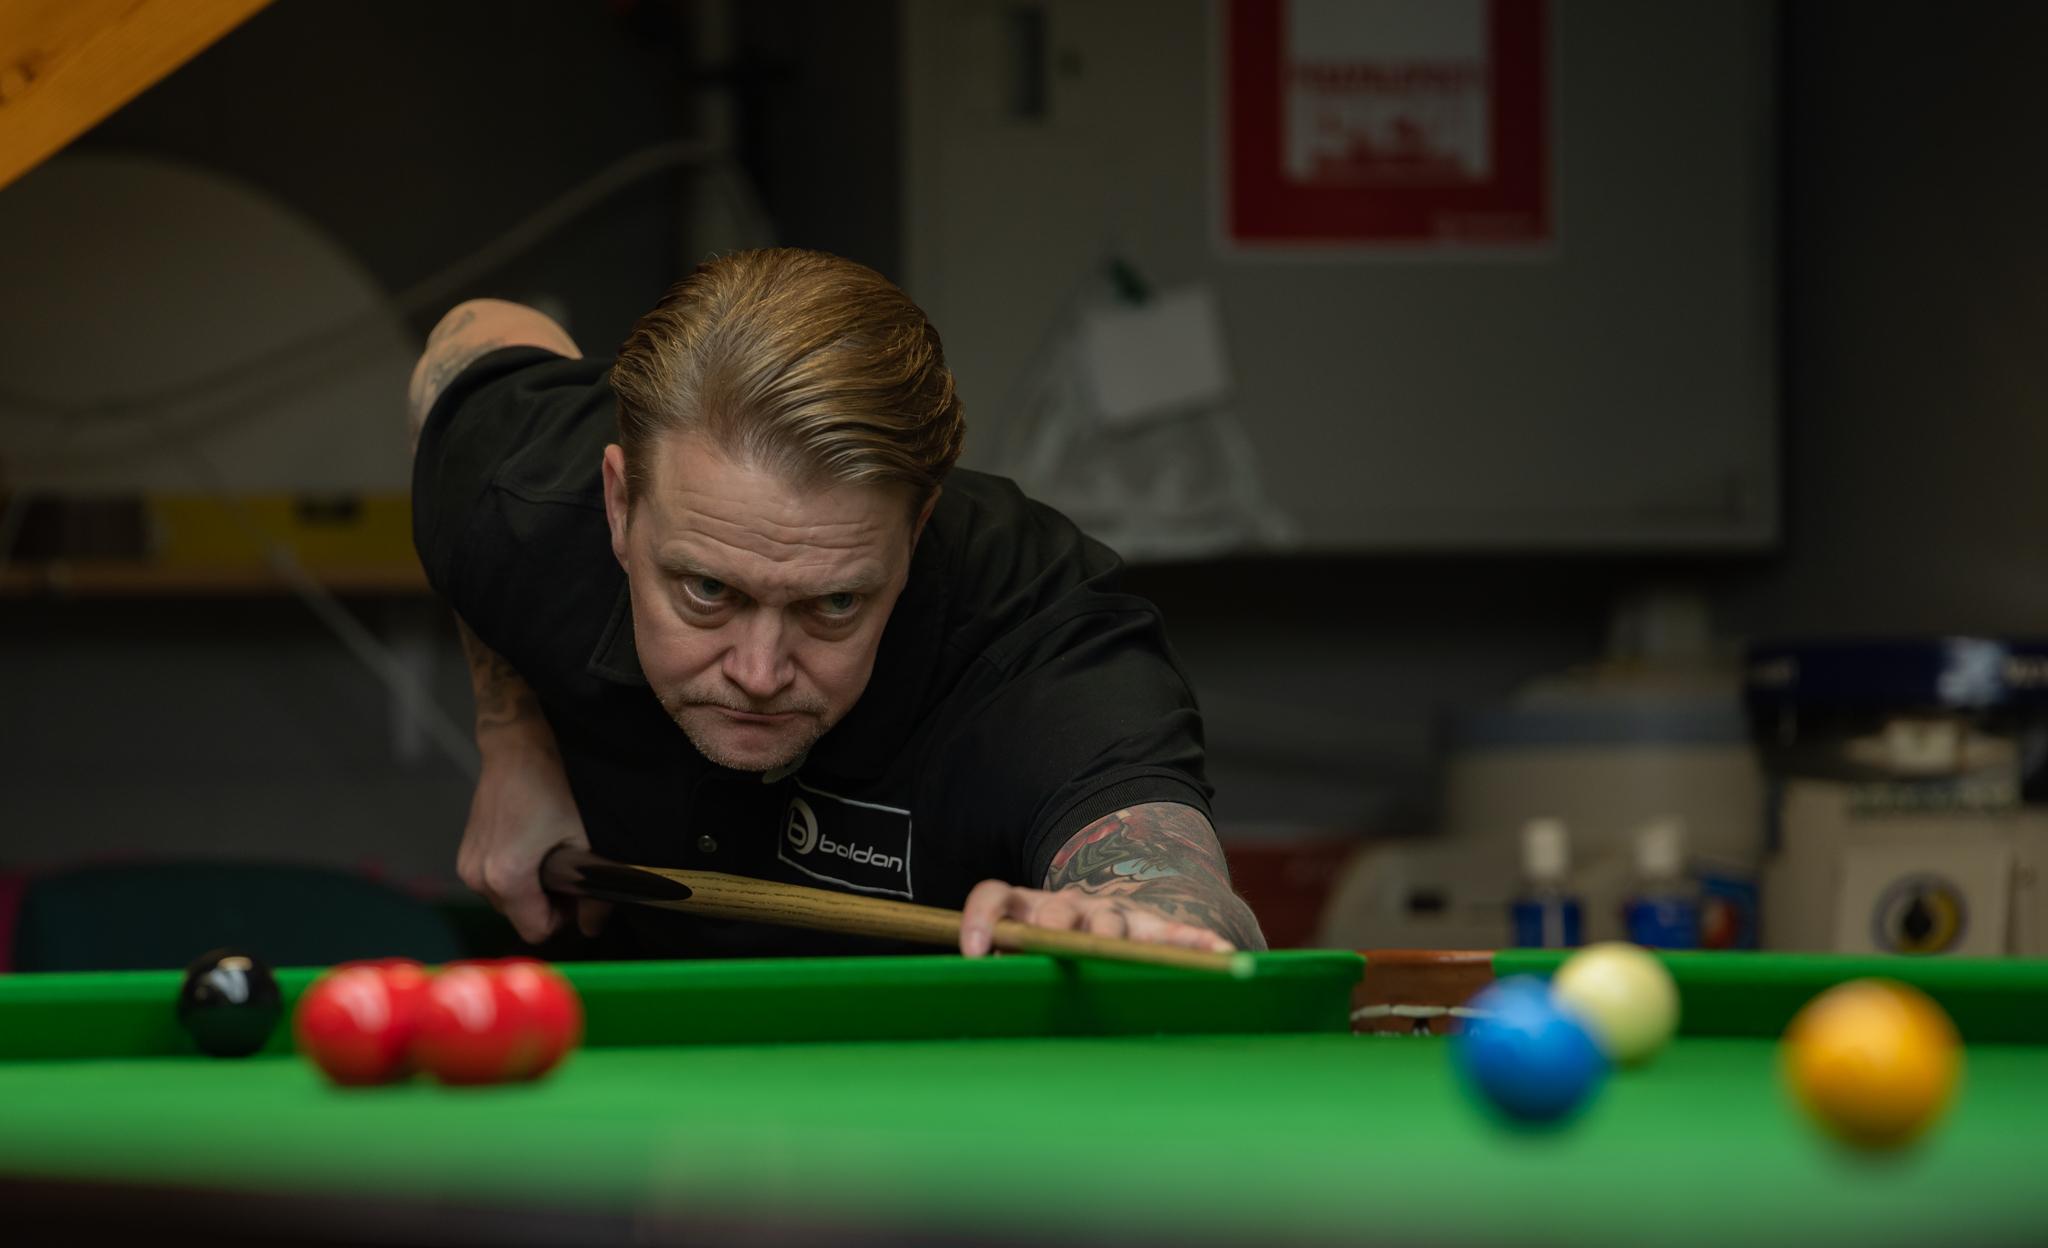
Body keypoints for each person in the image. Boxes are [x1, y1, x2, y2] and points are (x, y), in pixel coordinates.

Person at [407, 248, 1264, 959]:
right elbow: (472, 331)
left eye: (835, 603)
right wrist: (513, 739)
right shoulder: (528, 499)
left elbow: (1175, 889)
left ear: (915, 532)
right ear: (620, 506)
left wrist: (1137, 917)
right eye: (708, 591)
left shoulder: (1032, 629)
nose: (759, 674)